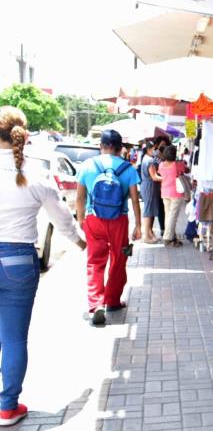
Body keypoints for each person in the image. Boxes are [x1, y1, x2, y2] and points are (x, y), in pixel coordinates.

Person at [0, 106, 85, 426]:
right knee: (13, 338)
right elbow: (61, 218)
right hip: (19, 260)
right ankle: (7, 406)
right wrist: (80, 242)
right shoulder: (34, 174)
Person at [76, 129, 142, 326]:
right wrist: (138, 225)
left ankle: (96, 304)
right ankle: (112, 300)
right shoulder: (127, 169)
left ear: (101, 146)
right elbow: (135, 200)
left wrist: (81, 218)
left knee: (95, 261)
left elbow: (80, 196)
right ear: (121, 148)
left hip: (93, 219)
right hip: (118, 220)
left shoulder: (88, 165)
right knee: (118, 258)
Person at [158, 145, 186, 247]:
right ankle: (167, 237)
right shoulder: (177, 165)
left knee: (168, 216)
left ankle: (172, 238)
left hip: (165, 192)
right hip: (176, 193)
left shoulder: (161, 165)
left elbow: (160, 174)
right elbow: (185, 170)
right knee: (172, 216)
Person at [139, 141, 162, 243]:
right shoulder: (149, 161)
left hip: (149, 186)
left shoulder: (147, 158)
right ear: (149, 149)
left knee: (151, 210)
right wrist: (167, 178)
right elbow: (154, 176)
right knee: (148, 211)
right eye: (154, 149)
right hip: (149, 186)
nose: (155, 151)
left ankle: (150, 233)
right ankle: (146, 236)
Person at [153, 136, 170, 237]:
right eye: (162, 145)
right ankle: (163, 229)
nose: (163, 147)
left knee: (167, 210)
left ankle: (167, 229)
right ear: (157, 146)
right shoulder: (155, 158)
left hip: (168, 188)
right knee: (161, 209)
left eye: (165, 145)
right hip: (159, 187)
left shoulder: (168, 157)